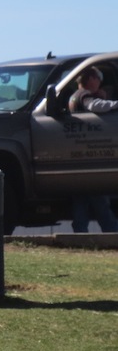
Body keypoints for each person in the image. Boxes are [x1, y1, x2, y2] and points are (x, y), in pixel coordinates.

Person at [67, 67, 118, 232]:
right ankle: (112, 234)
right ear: (90, 79)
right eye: (98, 77)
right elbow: (95, 106)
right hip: (88, 155)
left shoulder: (75, 97)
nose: (100, 81)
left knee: (81, 201)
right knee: (100, 201)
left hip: (77, 157)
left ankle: (79, 235)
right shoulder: (84, 96)